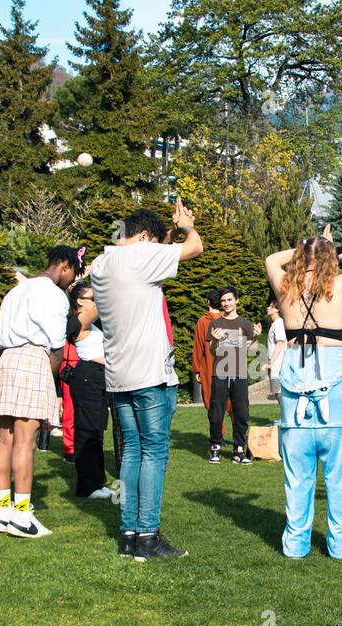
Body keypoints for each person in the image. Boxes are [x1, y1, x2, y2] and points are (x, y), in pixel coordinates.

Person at [90, 199, 204, 562]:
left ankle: (129, 535)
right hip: (151, 373)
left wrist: (163, 237)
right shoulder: (141, 257)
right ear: (143, 237)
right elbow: (195, 247)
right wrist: (185, 224)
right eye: (155, 242)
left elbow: (150, 258)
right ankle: (149, 536)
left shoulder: (101, 263)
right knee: (154, 453)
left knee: (131, 453)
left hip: (119, 374)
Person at [265, 225, 342, 559]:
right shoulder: (338, 285)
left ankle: (296, 544)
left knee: (297, 476)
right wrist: (334, 249)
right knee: (341, 475)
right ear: (329, 258)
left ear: (300, 257)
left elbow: (271, 258)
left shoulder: (285, 286)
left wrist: (305, 246)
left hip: (296, 374)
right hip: (335, 386)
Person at [0, 247, 77, 538]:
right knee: (25, 440)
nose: (72, 280)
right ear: (64, 265)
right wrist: (50, 370)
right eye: (73, 272)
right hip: (32, 357)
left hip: (7, 358)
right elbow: (56, 341)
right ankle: (22, 516)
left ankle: (2, 511)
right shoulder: (53, 294)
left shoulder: (16, 291)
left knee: (5, 437)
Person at [66, 279, 113, 500]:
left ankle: (97, 482)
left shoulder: (93, 323)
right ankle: (87, 486)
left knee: (96, 432)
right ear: (79, 301)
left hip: (99, 377)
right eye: (91, 297)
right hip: (88, 377)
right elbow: (102, 304)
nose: (96, 300)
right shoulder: (76, 322)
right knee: (86, 432)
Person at [206, 286, 259, 465]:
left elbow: (251, 351)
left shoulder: (245, 324)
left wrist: (256, 338)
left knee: (241, 413)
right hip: (220, 373)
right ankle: (215, 449)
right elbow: (213, 351)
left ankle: (239, 450)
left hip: (240, 373)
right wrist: (214, 339)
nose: (226, 303)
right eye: (223, 301)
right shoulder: (215, 324)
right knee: (216, 413)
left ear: (237, 300)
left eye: (229, 300)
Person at [191, 290, 222, 407]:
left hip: (208, 365)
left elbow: (198, 347)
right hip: (227, 364)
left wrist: (197, 369)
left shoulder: (202, 322)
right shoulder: (228, 319)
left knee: (211, 401)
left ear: (208, 302)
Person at [265, 300, 287, 400]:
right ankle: (284, 415)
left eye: (271, 306)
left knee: (278, 391)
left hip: (277, 363)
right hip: (275, 363)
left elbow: (280, 343)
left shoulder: (279, 323)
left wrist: (271, 361)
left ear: (277, 309)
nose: (268, 308)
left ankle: (285, 415)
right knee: (276, 391)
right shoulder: (274, 323)